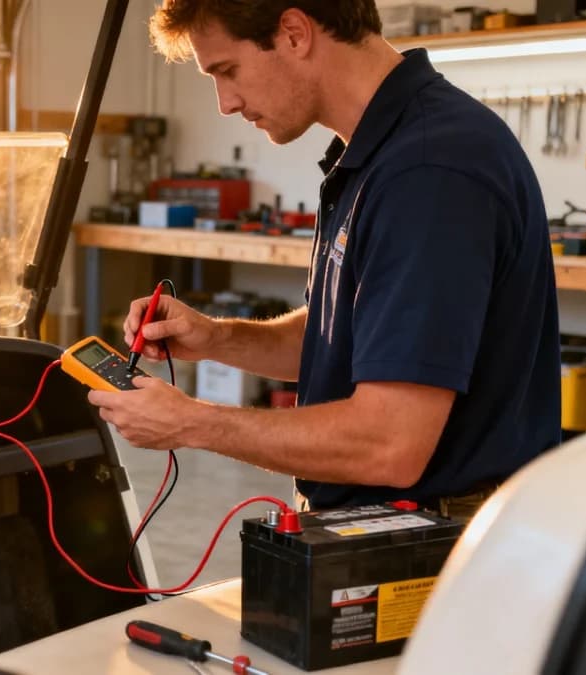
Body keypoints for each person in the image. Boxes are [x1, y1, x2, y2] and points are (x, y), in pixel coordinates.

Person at [87, 0, 560, 520]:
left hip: (435, 549)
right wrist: (218, 339)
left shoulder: (428, 170)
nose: (224, 102)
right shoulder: (380, 151)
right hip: (392, 531)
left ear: (294, 33)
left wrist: (193, 422)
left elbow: (389, 443)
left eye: (227, 70)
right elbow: (345, 341)